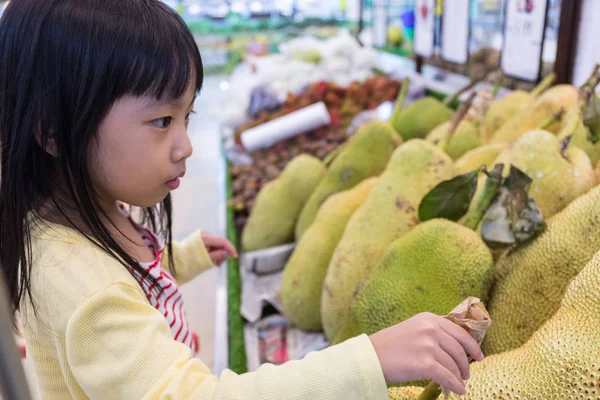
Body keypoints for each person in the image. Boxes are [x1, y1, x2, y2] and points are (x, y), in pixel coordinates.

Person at [0, 0, 484, 399]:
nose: (186, 144)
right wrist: (370, 360)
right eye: (163, 121)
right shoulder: (84, 289)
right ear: (53, 130)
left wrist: (182, 258)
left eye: (188, 116)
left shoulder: (88, 211)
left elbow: (129, 273)